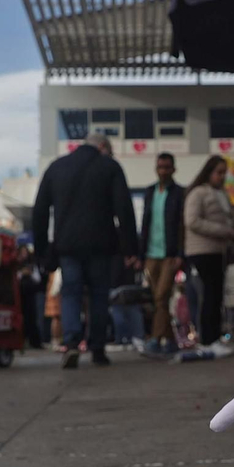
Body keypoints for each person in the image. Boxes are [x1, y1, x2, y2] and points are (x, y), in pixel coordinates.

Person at [32, 132, 138, 369]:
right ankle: (97, 348)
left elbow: (39, 210)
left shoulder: (57, 167)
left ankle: (71, 344)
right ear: (102, 147)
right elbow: (124, 208)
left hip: (67, 246)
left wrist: (40, 250)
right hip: (101, 245)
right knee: (99, 295)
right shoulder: (109, 167)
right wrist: (131, 247)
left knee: (70, 293)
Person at [183, 155, 234, 356]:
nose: (222, 176)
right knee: (208, 295)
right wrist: (223, 230)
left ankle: (213, 337)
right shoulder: (198, 194)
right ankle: (207, 339)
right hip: (201, 251)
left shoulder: (221, 193)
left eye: (225, 172)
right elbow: (192, 221)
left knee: (215, 296)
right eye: (219, 172)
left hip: (218, 251)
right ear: (209, 172)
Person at [137, 152, 185, 356]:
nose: (163, 171)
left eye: (166, 167)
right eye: (160, 167)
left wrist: (181, 253)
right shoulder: (149, 192)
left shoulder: (180, 193)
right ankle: (171, 341)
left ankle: (156, 340)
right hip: (150, 253)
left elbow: (182, 226)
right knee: (159, 300)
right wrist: (139, 254)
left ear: (173, 169)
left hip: (169, 254)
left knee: (161, 297)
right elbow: (145, 224)